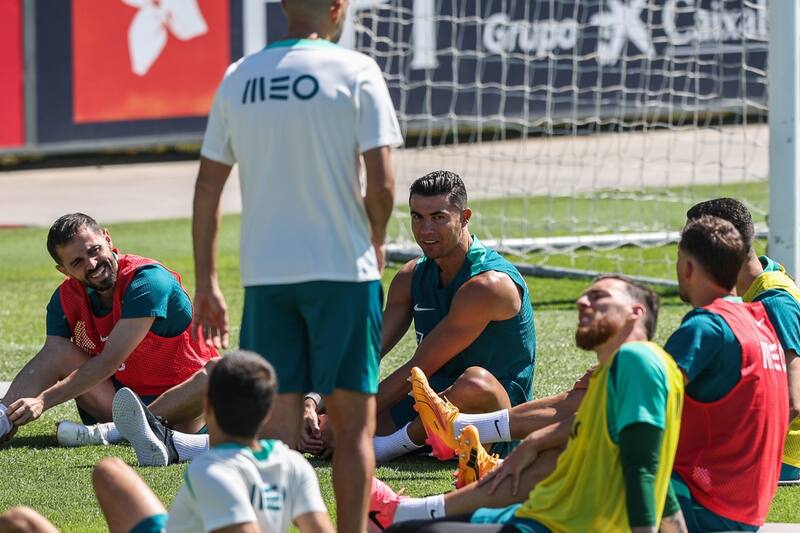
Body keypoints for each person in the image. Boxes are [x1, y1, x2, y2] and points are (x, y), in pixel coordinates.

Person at [191, 0, 402, 529]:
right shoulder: (356, 70)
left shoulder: (240, 75)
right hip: (343, 272)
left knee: (274, 434)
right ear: (338, 9)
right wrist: (374, 239)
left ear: (283, 7)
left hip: (268, 278)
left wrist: (207, 281)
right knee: (353, 430)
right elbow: (381, 183)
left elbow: (207, 187)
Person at [370, 275, 686, 532]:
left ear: (636, 312)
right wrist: (535, 440)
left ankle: (416, 491)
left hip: (563, 524)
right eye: (585, 296)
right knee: (406, 526)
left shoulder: (636, 359)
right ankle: (406, 507)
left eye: (599, 297)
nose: (581, 301)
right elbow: (657, 472)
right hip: (545, 513)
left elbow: (645, 465)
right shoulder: (612, 375)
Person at [301, 171, 536, 463]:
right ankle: (414, 439)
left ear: (464, 217)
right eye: (417, 217)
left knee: (475, 383)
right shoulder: (411, 276)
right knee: (312, 426)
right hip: (427, 402)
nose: (425, 230)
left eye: (438, 217)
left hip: (488, 415)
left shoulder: (487, 286)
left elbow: (420, 366)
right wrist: (314, 401)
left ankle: (385, 448)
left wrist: (351, 418)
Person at [0, 351, 334, 533]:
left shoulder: (213, 472)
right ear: (266, 417)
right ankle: (167, 443)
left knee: (18, 522)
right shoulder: (291, 463)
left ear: (208, 408)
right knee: (109, 471)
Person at [0, 213, 216, 443]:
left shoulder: (147, 280)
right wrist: (14, 413)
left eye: (94, 250)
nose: (92, 264)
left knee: (218, 372)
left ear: (107, 239)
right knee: (57, 352)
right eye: (77, 262)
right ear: (64, 270)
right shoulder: (64, 299)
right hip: (118, 406)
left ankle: (113, 433)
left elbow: (109, 361)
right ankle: (2, 419)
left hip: (185, 411)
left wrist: (42, 400)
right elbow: (51, 357)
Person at [665, 214, 789, 532]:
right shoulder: (760, 319)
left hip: (704, 502)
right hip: (749, 506)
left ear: (687, 268)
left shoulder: (706, 326)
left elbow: (647, 400)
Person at [686, 198, 800, 485]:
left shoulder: (774, 303)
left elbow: (794, 400)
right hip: (769, 446)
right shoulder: (764, 275)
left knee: (671, 469)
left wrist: (734, 449)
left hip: (786, 457)